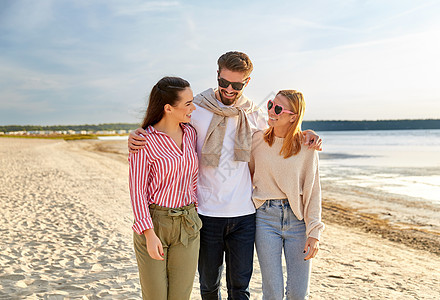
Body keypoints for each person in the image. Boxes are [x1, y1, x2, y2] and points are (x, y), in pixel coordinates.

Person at [128, 51, 323, 300]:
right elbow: (164, 127)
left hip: (244, 214)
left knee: (240, 288)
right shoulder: (196, 109)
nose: (229, 89)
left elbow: (281, 133)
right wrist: (136, 135)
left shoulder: (255, 115)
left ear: (247, 82)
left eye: (237, 85)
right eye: (224, 82)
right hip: (205, 214)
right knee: (208, 286)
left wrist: (307, 134)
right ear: (217, 76)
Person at [128, 76, 202, 300]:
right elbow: (137, 191)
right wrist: (149, 234)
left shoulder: (191, 134)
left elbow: (194, 179)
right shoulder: (144, 140)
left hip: (188, 224)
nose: (193, 107)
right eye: (188, 103)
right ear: (168, 108)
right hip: (155, 223)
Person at [249, 90, 325, 300]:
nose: (272, 111)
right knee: (272, 292)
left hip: (298, 222)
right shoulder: (257, 141)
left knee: (298, 294)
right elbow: (247, 175)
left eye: (279, 109)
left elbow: (312, 191)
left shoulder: (307, 147)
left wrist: (314, 232)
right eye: (271, 105)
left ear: (293, 116)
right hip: (265, 219)